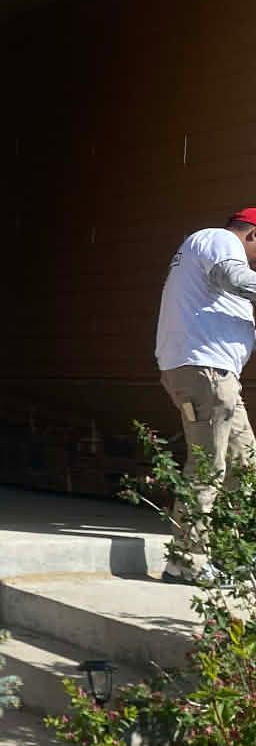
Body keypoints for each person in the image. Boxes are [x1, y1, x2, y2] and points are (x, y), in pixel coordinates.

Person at [154, 210, 256, 571]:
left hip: (216, 375)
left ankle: (234, 555)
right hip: (205, 372)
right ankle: (186, 559)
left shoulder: (207, 250)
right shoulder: (220, 239)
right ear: (252, 234)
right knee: (208, 465)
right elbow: (233, 278)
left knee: (245, 466)